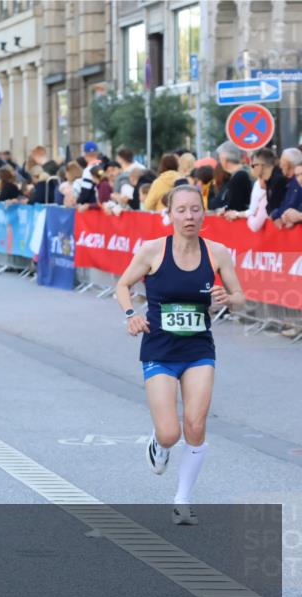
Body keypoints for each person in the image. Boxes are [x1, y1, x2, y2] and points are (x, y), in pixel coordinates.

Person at [115, 185, 245, 525]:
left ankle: (182, 500)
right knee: (171, 433)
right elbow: (122, 285)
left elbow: (241, 296)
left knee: (196, 425)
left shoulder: (217, 253)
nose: (189, 216)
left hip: (198, 348)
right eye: (182, 210)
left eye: (195, 209)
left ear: (204, 213)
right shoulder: (152, 251)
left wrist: (228, 299)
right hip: (159, 348)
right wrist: (131, 315)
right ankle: (159, 444)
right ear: (170, 214)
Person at [215, 141, 252, 213]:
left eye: (220, 159)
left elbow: (235, 205)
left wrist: (225, 210)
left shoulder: (239, 176)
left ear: (224, 159)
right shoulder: (242, 173)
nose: (220, 162)